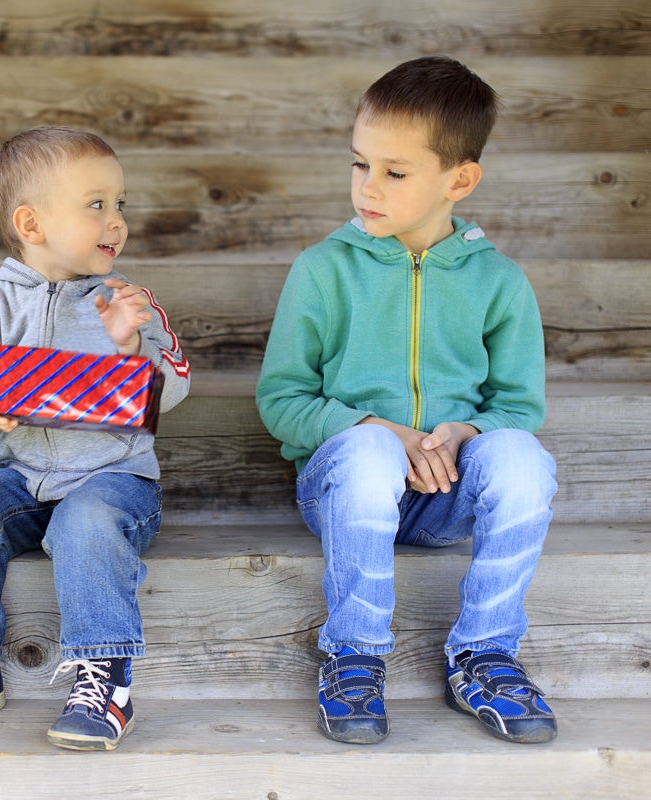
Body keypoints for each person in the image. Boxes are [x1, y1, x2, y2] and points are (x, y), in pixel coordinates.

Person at [256, 56, 558, 746]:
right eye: (360, 164)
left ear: (459, 180)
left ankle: (486, 654)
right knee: (364, 452)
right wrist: (378, 430)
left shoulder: (501, 283)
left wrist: (465, 433)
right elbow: (282, 398)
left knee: (523, 459)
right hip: (346, 486)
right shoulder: (324, 269)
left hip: (448, 490)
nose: (368, 186)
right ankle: (355, 655)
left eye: (395, 172)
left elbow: (518, 404)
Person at [0, 126, 191, 751]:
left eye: (120, 203)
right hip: (20, 479)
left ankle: (104, 678)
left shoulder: (127, 300)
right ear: (31, 223)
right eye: (96, 204)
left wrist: (132, 346)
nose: (117, 221)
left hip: (114, 482)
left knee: (84, 521)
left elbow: (177, 387)